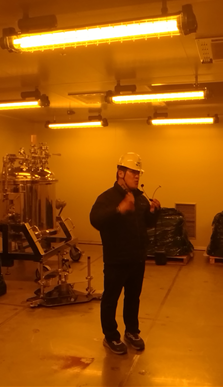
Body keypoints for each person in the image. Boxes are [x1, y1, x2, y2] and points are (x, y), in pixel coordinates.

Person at [90, 152, 161, 355]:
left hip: (137, 258)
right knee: (111, 298)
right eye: (133, 172)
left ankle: (131, 331)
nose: (137, 176)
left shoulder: (140, 198)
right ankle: (111, 336)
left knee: (133, 297)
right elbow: (95, 220)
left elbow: (146, 223)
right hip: (116, 259)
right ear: (120, 173)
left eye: (138, 173)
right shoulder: (107, 198)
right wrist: (118, 210)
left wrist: (154, 212)